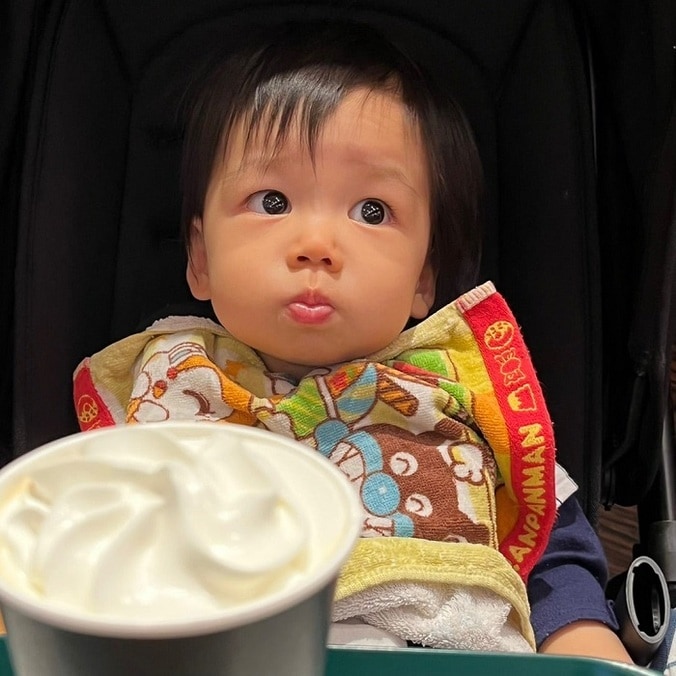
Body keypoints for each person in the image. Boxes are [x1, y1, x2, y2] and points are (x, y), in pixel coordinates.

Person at [73, 20, 631, 662]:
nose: (316, 245)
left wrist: (583, 639)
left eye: (372, 211)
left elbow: (550, 551)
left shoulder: (454, 392)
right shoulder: (175, 377)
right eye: (273, 199)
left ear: (424, 280)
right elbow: (79, 523)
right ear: (199, 258)